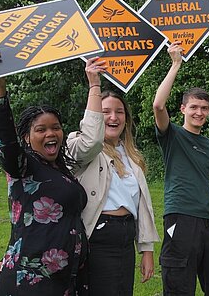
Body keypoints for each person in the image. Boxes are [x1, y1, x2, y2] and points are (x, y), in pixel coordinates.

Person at [0, 43, 93, 295]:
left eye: (55, 127)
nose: (50, 133)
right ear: (26, 138)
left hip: (66, 279)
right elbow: (6, 141)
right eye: (40, 130)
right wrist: (0, 90)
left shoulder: (60, 169)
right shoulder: (23, 166)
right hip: (32, 281)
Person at [67, 69, 160, 294]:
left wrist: (146, 250)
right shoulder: (80, 146)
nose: (113, 117)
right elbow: (91, 141)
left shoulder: (131, 155)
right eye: (105, 111)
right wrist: (94, 86)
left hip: (125, 237)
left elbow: (141, 205)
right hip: (98, 237)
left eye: (119, 112)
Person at [152, 41, 209, 295]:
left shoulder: (208, 144)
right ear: (183, 109)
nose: (199, 112)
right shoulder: (172, 135)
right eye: (194, 107)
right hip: (181, 218)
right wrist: (176, 63)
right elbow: (158, 105)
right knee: (179, 286)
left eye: (204, 108)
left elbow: (199, 181)